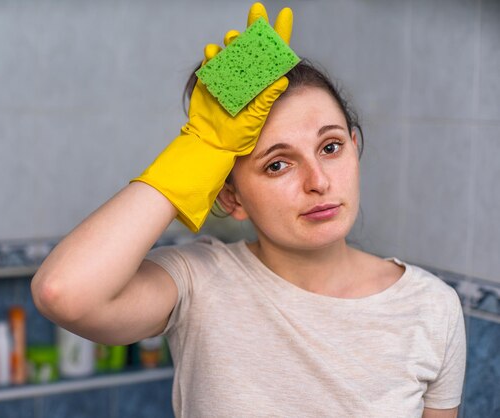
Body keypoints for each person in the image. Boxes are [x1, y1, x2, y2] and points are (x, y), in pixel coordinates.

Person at [31, 3, 466, 417]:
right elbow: (63, 294)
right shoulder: (199, 281)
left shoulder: (432, 308)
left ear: (355, 147)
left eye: (330, 147)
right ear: (231, 198)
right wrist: (202, 146)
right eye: (278, 164)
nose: (318, 180)